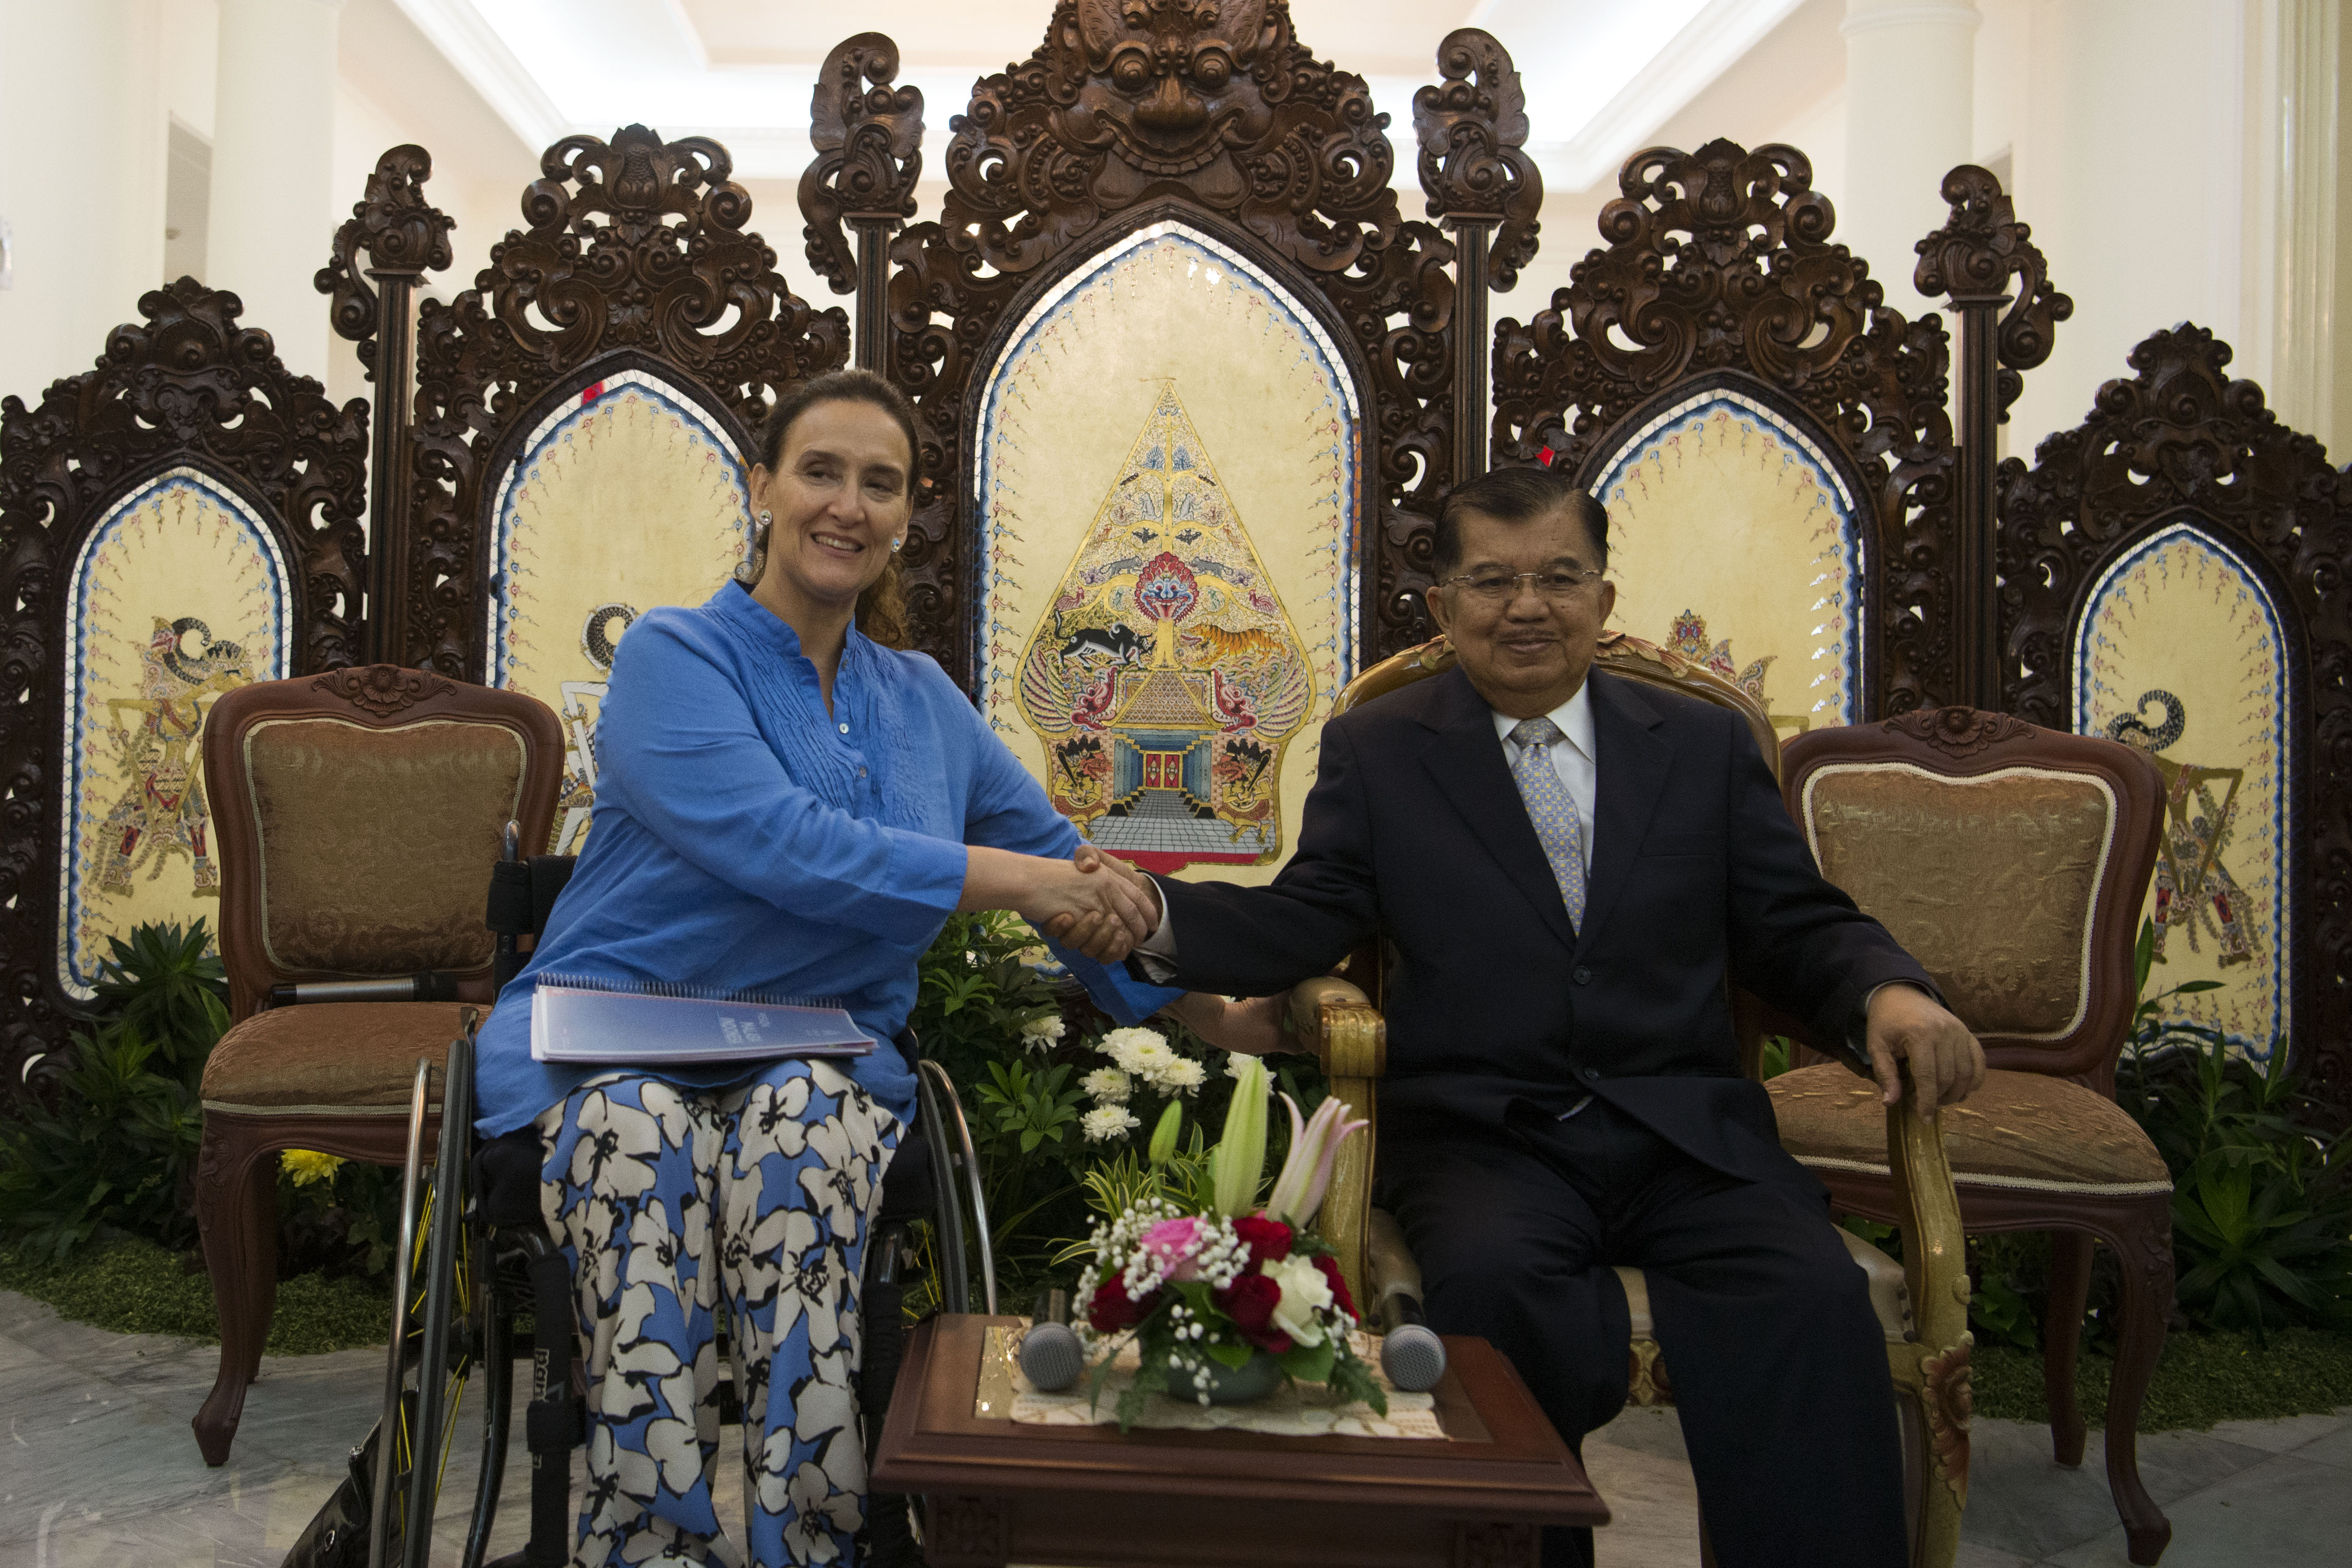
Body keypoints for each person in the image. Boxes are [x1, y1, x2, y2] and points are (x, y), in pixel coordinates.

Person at [1085, 467, 1987, 1568]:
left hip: (1685, 1136)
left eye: (1559, 577)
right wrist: (1142, 917)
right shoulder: (1381, 750)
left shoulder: (1697, 747)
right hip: (1483, 1139)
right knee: (1494, 1293)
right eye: (1493, 581)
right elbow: (1302, 916)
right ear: (1443, 606)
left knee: (1802, 1297)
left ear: (1603, 599)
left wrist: (1888, 991)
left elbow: (1793, 925)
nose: (1528, 606)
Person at [470, 368, 1184, 1568]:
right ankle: (649, 1548)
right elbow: (788, 848)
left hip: (817, 1053)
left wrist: (1205, 995)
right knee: (637, 1128)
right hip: (607, 1039)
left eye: (881, 482)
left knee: (802, 1122)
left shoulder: (923, 702)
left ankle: (820, 1541)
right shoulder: (672, 656)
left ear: (909, 516)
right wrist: (1026, 882)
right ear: (762, 488)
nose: (846, 504)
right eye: (819, 471)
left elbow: (1070, 877)